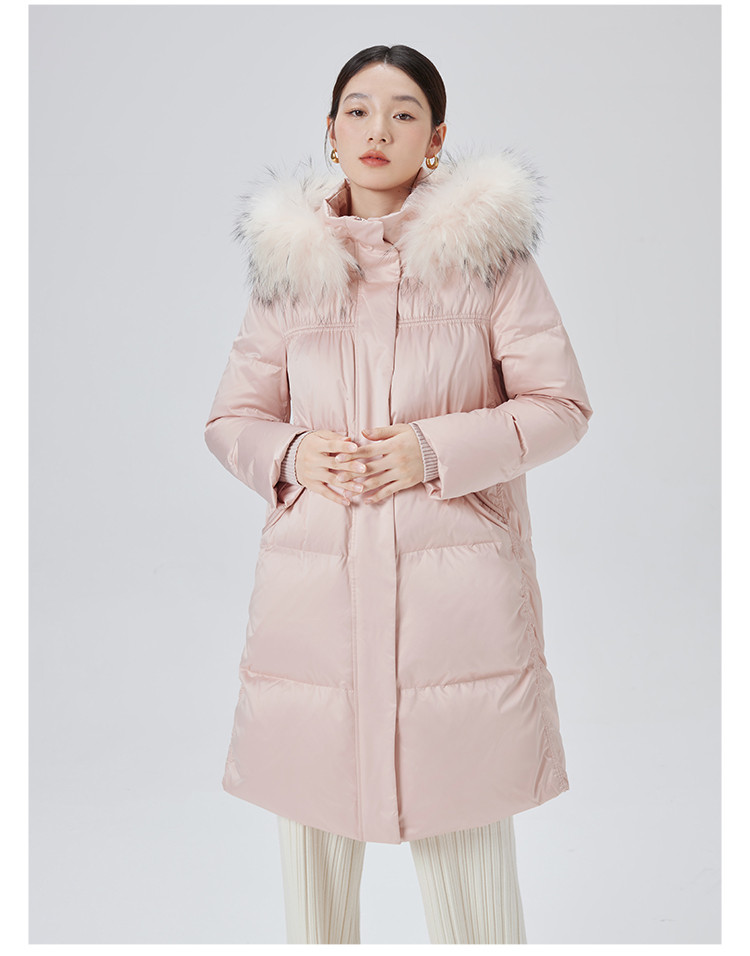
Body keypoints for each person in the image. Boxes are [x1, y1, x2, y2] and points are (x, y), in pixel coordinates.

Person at [204, 44, 593, 944]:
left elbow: (562, 407)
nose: (378, 128)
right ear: (330, 133)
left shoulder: (489, 261)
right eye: (358, 110)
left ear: (437, 139)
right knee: (313, 875)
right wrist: (293, 453)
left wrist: (432, 451)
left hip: (452, 605)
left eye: (404, 112)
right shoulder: (289, 271)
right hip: (314, 605)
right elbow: (232, 419)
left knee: (470, 872)